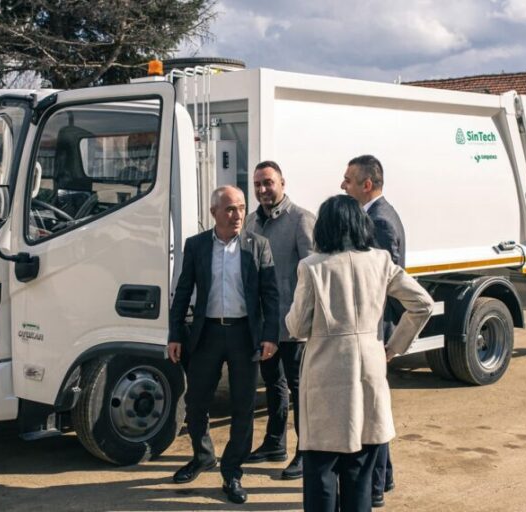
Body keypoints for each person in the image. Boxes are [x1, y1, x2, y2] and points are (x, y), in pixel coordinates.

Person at [285, 195, 434, 512]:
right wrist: (394, 346)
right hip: (369, 370)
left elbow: (297, 326)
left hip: (325, 374)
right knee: (359, 474)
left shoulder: (313, 267)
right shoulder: (380, 261)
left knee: (321, 473)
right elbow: (423, 303)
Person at [167, 185, 280, 505]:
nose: (237, 215)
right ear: (214, 211)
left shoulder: (258, 245)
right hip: (208, 333)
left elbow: (270, 295)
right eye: (230, 208)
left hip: (245, 334)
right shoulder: (197, 245)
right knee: (196, 402)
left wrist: (270, 335)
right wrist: (175, 334)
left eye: (241, 208)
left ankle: (232, 471)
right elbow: (183, 290)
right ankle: (203, 456)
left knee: (243, 406)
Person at [242, 161, 316, 480]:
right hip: (264, 325)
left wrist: (307, 319)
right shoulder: (251, 221)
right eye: (257, 184)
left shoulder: (301, 220)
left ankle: (306, 452)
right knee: (273, 384)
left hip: (293, 324)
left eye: (268, 183)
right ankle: (274, 443)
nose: (262, 189)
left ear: (282, 183)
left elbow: (314, 274)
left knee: (301, 390)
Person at [340, 154, 405, 507]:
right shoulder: (377, 214)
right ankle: (385, 476)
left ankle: (375, 487)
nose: (343, 185)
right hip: (374, 329)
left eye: (348, 180)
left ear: (366, 185)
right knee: (375, 409)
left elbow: (382, 283)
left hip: (375, 329)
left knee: (373, 414)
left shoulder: (379, 221)